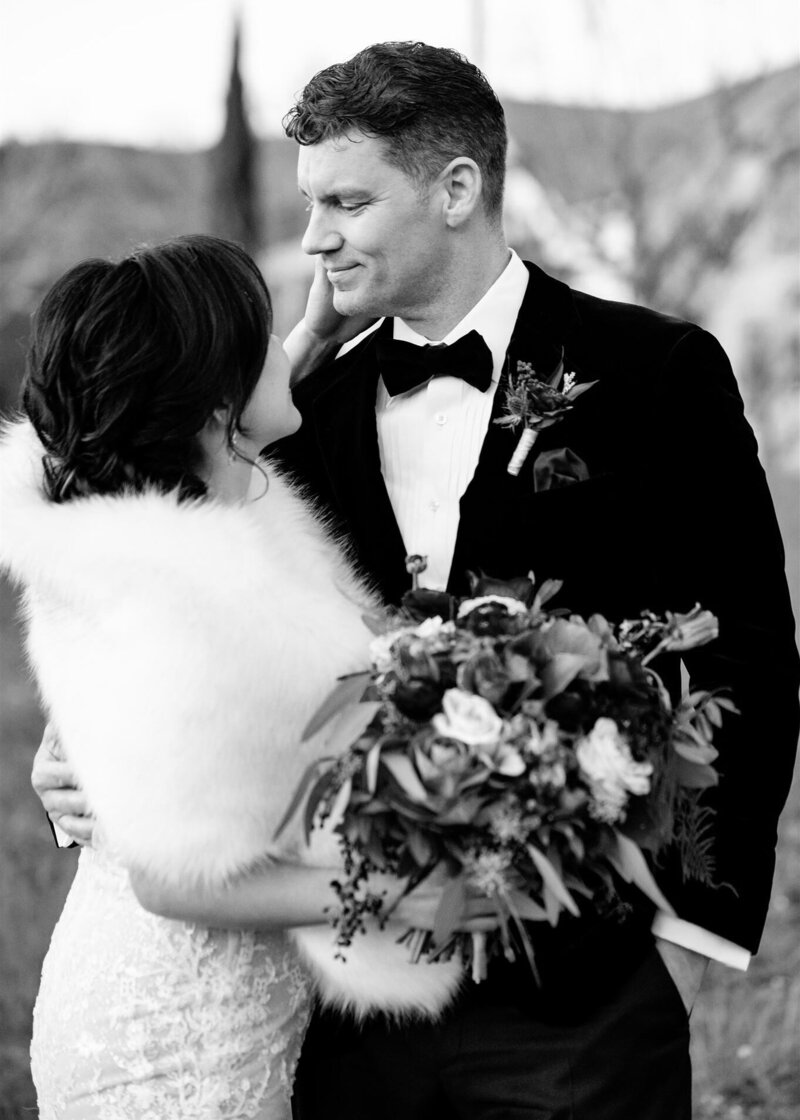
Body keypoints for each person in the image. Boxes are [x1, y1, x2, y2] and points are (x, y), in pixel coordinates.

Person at [32, 41, 799, 1120]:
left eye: (346, 200)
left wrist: (667, 936)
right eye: (306, 201)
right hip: (340, 1011)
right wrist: (73, 775)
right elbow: (150, 585)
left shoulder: (654, 374)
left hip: (575, 1002)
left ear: (454, 188)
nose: (313, 237)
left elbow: (745, 656)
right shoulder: (291, 414)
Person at [4, 234, 488, 1119]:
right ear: (217, 392)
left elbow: (235, 441)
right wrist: (423, 892)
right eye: (263, 334)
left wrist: (302, 339)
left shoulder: (149, 522)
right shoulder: (185, 598)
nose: (286, 346)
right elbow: (170, 878)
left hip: (228, 1013)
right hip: (172, 1038)